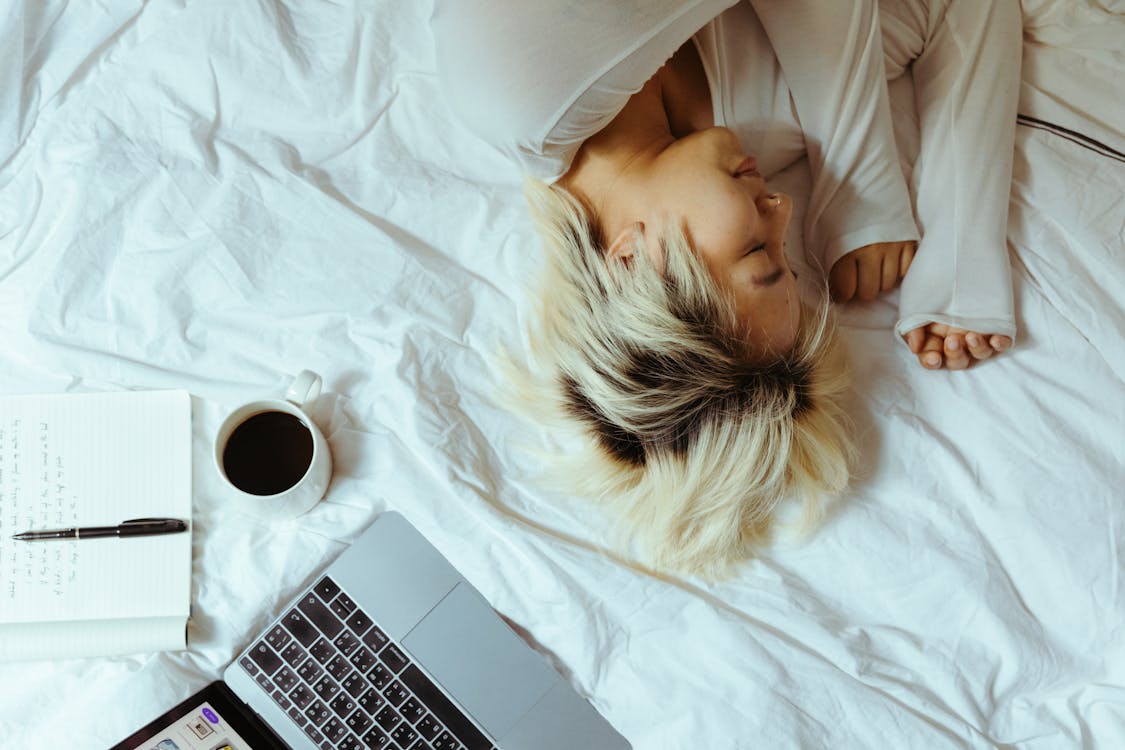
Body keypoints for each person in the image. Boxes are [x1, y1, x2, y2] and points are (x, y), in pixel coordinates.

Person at [431, 0, 1021, 575]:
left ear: (634, 263)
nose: (783, 206)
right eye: (787, 252)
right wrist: (959, 259)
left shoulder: (517, 89)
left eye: (756, 251)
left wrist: (862, 189)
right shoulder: (764, 117)